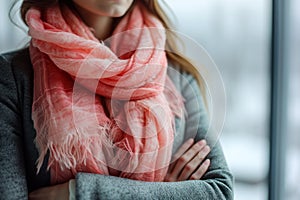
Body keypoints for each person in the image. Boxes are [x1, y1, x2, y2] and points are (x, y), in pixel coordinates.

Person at [0, 0, 233, 199]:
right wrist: (164, 193)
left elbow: (219, 191)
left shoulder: (177, 79)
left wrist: (77, 193)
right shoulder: (12, 77)